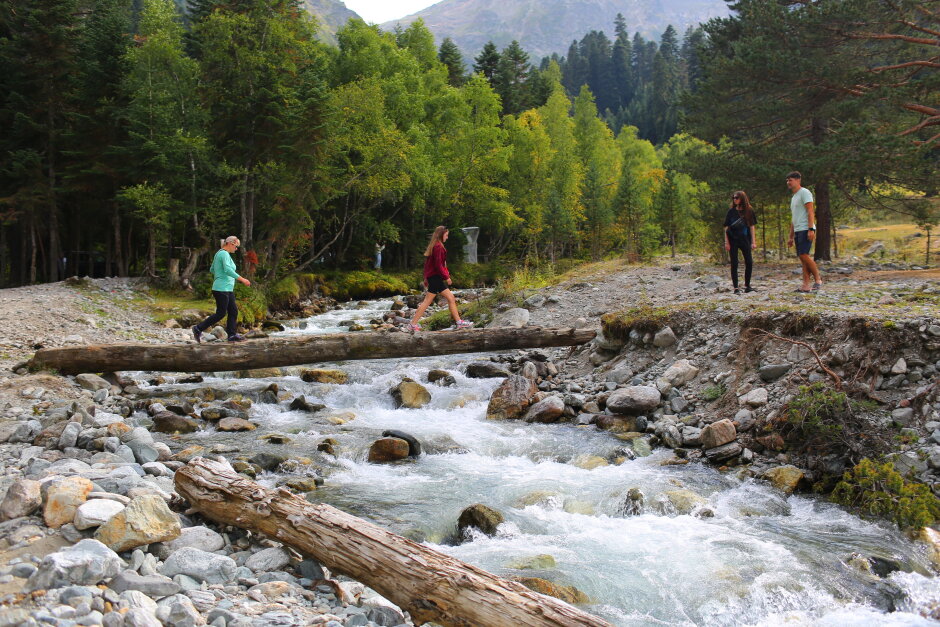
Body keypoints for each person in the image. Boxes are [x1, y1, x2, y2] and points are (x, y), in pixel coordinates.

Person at [409, 226, 472, 332]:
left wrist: (426, 278)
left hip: (433, 277)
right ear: (441, 234)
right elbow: (438, 265)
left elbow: (429, 265)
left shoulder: (435, 245)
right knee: (433, 300)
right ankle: (412, 324)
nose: (447, 237)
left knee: (446, 298)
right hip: (435, 278)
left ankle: (459, 322)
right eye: (446, 235)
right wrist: (446, 277)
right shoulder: (438, 247)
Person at [192, 236, 251, 343]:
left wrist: (221, 275)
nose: (236, 249)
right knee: (221, 313)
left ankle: (232, 335)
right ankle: (198, 328)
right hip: (221, 288)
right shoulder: (224, 254)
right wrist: (242, 279)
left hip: (227, 288)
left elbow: (212, 269)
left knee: (233, 311)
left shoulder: (220, 254)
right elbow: (227, 269)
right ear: (231, 243)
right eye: (236, 246)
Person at [786, 171, 822, 293]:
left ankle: (818, 279)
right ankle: (805, 285)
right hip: (798, 230)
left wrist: (810, 229)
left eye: (790, 180)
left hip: (806, 228)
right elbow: (794, 218)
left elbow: (810, 211)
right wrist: (791, 236)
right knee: (803, 258)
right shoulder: (794, 197)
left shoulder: (805, 192)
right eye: (787, 180)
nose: (788, 182)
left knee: (803, 255)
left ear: (798, 180)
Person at [723, 191, 757, 294]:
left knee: (749, 262)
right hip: (732, 239)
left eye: (737, 198)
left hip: (745, 239)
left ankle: (747, 286)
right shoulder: (731, 211)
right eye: (733, 198)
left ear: (742, 198)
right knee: (734, 263)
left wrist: (753, 241)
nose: (735, 199)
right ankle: (736, 288)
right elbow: (726, 227)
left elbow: (752, 226)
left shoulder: (749, 211)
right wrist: (726, 242)